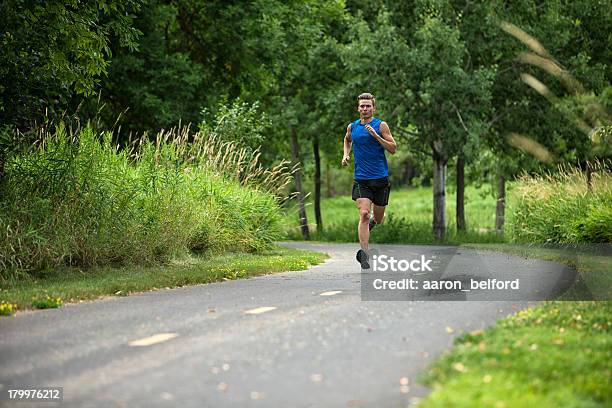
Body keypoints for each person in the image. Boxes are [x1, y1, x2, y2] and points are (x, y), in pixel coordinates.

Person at [342, 92, 397, 269]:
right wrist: (346, 154)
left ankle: (374, 222)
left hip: (380, 179)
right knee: (364, 214)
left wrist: (376, 136)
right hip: (361, 180)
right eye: (362, 106)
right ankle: (364, 255)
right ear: (358, 108)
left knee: (378, 218)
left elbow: (393, 149)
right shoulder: (353, 127)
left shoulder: (381, 125)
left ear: (373, 107)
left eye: (368, 106)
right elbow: (347, 139)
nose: (365, 109)